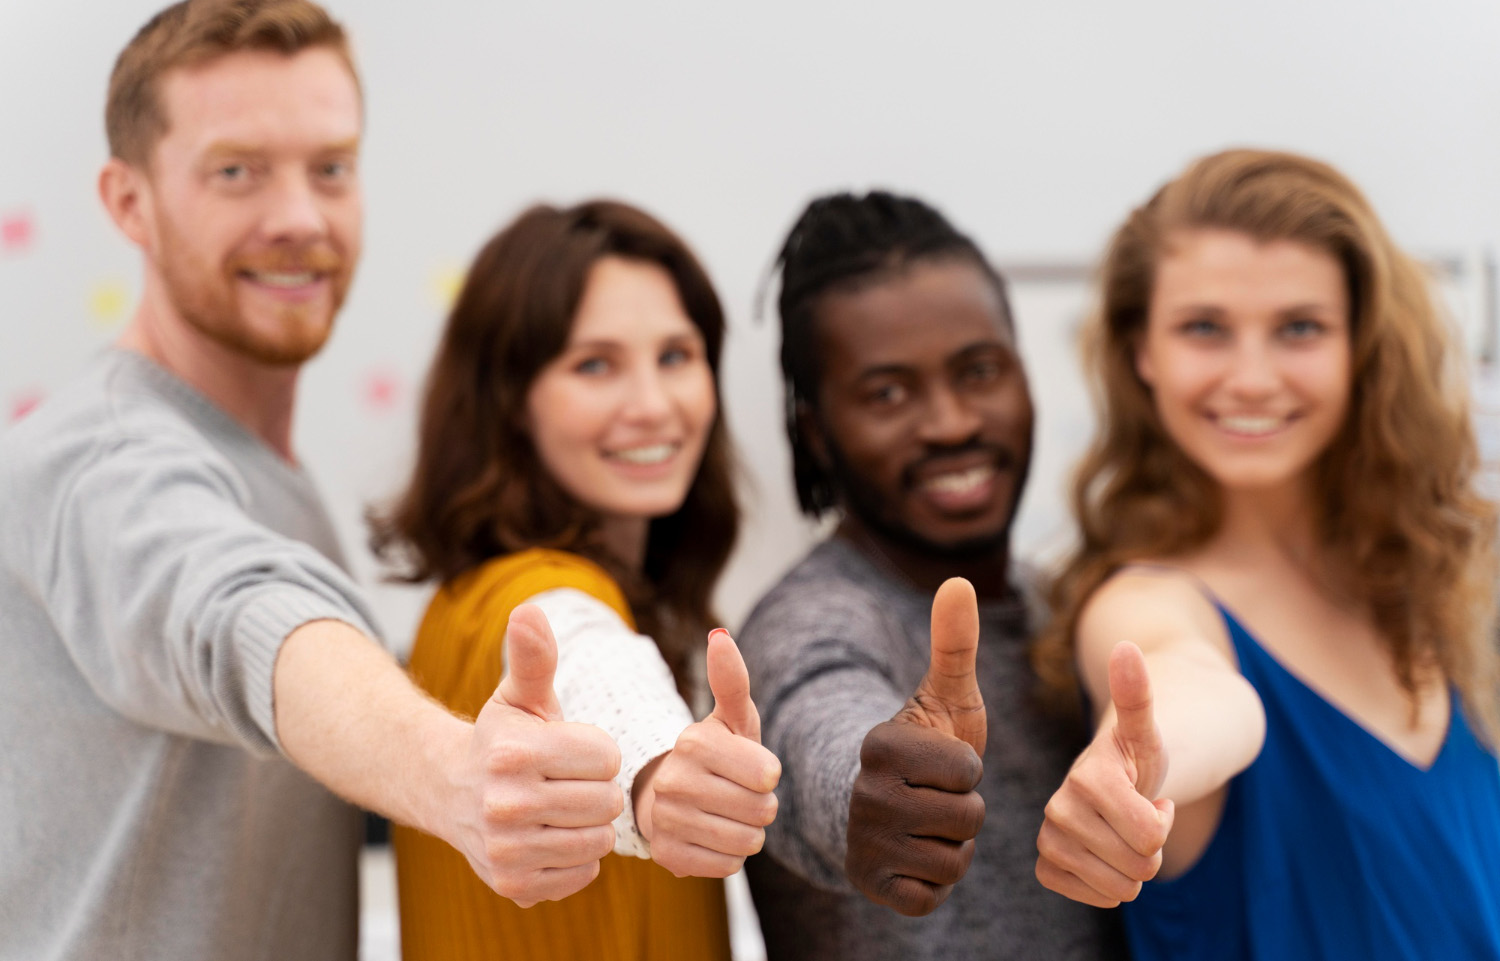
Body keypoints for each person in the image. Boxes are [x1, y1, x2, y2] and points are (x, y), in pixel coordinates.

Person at [0, 4, 626, 958]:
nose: (299, 217)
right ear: (130, 202)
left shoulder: (269, 470)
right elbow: (235, 614)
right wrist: (455, 770)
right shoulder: (99, 459)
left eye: (330, 167)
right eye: (236, 171)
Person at [1032, 148, 1500, 960]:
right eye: (1204, 328)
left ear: (1362, 345)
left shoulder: (1446, 577)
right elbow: (1198, 693)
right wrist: (1136, 766)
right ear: (1142, 349)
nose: (1251, 378)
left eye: (1299, 327)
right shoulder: (1145, 598)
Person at [370, 199, 781, 961]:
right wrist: (660, 773)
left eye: (676, 356)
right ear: (511, 401)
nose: (653, 406)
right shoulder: (535, 598)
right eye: (595, 364)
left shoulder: (469, 599)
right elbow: (594, 671)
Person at [739, 190, 1125, 960]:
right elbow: (817, 717)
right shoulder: (814, 621)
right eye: (887, 392)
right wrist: (871, 789)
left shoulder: (1062, 603)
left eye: (978, 371)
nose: (951, 421)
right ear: (815, 434)